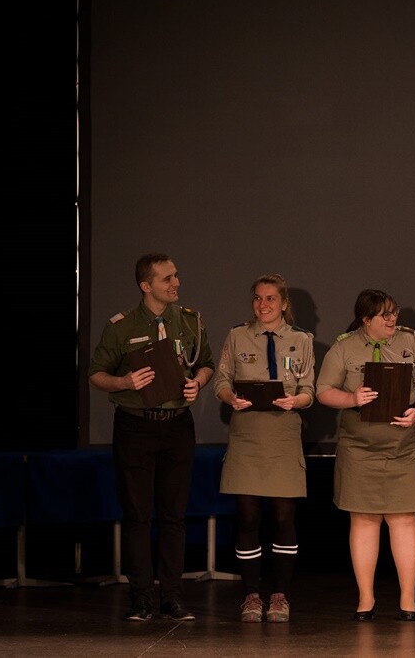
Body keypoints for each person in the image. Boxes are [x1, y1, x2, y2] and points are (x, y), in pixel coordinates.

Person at [88, 252, 214, 622]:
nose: (176, 283)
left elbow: (205, 362)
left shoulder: (190, 321)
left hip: (177, 425)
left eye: (176, 275)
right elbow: (96, 374)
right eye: (167, 279)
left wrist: (198, 383)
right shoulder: (121, 326)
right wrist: (124, 382)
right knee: (138, 515)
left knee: (174, 515)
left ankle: (172, 597)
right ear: (146, 286)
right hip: (135, 426)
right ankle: (141, 597)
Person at [315, 289, 415, 622]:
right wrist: (352, 398)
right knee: (364, 520)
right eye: (384, 315)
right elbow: (323, 391)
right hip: (359, 449)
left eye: (394, 312)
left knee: (404, 519)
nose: (392, 319)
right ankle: (366, 598)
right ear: (365, 318)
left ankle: (408, 599)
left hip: (404, 446)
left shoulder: (411, 341)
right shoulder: (344, 347)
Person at [212, 273, 315, 623]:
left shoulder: (302, 340)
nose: (263, 304)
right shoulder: (237, 335)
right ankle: (252, 595)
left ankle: (280, 595)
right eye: (257, 298)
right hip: (246, 434)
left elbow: (309, 388)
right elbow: (222, 379)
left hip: (283, 434)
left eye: (270, 298)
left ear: (284, 303)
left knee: (284, 516)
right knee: (248, 516)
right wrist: (230, 398)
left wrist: (295, 400)